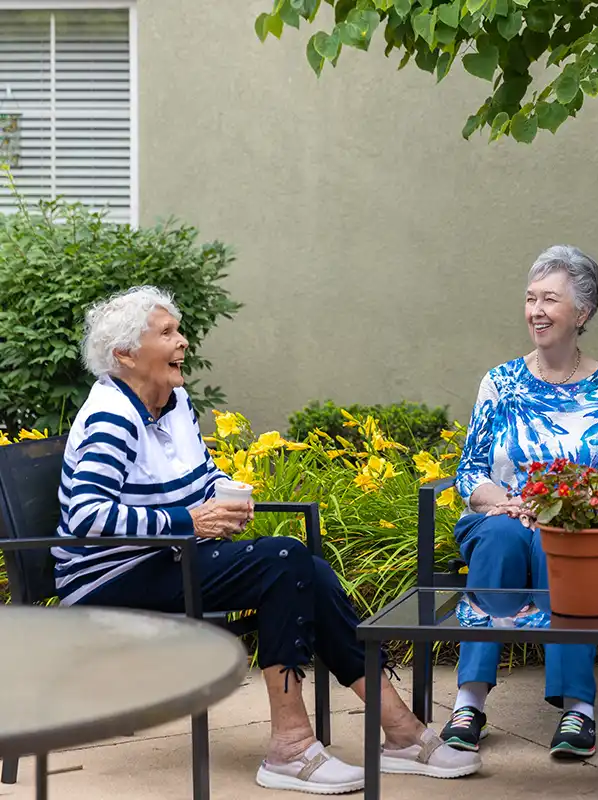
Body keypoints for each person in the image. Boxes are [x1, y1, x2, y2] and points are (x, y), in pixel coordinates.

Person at [53, 286, 480, 795]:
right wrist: (190, 521)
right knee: (285, 560)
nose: (183, 342)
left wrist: (227, 497)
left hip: (172, 561)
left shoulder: (175, 402)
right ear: (124, 355)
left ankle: (400, 731)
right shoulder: (111, 417)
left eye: (178, 329)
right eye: (167, 334)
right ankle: (292, 747)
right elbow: (87, 516)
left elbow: (203, 475)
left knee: (308, 572)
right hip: (112, 579)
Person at [440, 245, 598, 760]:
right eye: (530, 298)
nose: (536, 310)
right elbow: (470, 470)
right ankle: (469, 702)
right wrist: (508, 503)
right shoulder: (501, 381)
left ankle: (579, 709)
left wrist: (562, 508)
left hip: (575, 526)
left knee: (559, 547)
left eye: (550, 299)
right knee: (506, 537)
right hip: (500, 517)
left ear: (583, 312)